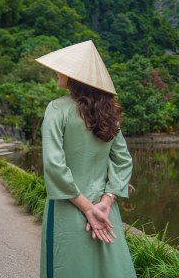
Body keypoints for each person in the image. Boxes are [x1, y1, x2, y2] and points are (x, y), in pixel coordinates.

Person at [36, 40, 136, 278]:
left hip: (67, 208)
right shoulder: (108, 114)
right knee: (107, 270)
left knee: (67, 268)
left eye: (62, 68)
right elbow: (123, 161)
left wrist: (87, 209)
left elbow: (54, 165)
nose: (57, 72)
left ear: (74, 77)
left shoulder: (56, 109)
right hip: (104, 210)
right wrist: (106, 201)